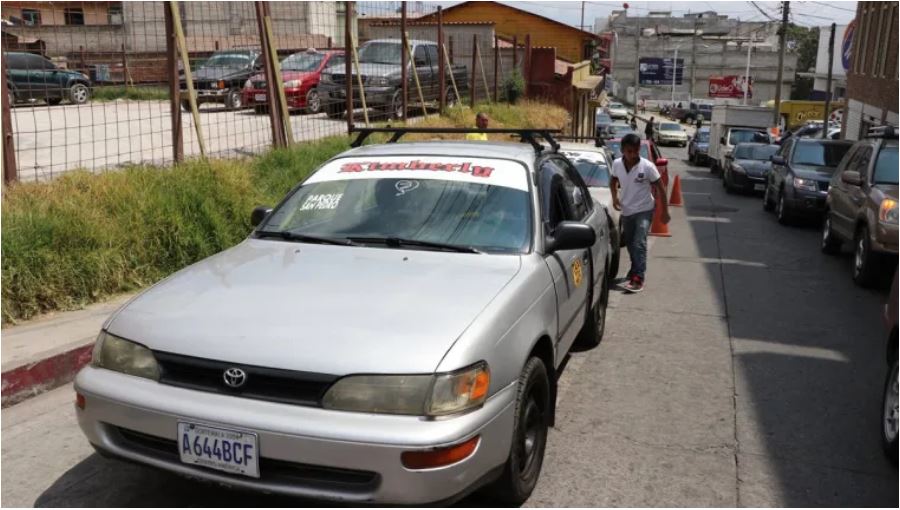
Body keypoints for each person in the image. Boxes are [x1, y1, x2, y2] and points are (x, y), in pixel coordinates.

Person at [609, 133, 670, 293]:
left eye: (635, 151)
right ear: (622, 150)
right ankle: (635, 267)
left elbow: (661, 188)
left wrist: (665, 211)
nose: (632, 155)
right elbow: (613, 180)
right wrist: (615, 197)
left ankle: (638, 277)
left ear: (639, 151)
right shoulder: (616, 164)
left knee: (639, 242)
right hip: (627, 210)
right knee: (629, 243)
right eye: (628, 151)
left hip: (644, 209)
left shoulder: (648, 167)